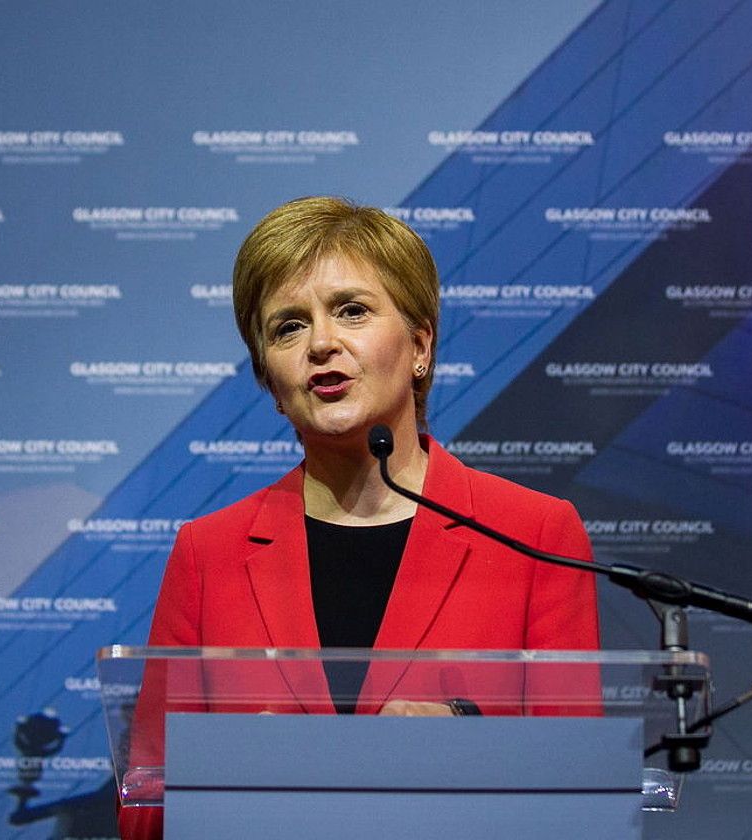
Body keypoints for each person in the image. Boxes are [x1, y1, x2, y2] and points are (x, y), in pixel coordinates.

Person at [118, 196, 598, 840]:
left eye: (351, 310)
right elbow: (144, 812)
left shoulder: (533, 533)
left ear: (420, 344)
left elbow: (584, 803)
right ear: (268, 376)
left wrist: (471, 748)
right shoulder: (209, 552)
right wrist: (228, 778)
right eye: (287, 326)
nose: (321, 343)